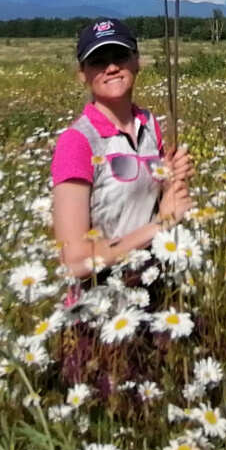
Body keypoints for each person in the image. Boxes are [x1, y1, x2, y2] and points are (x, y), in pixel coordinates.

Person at [51, 19, 192, 278]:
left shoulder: (149, 125)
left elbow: (149, 201)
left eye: (120, 56)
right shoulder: (77, 142)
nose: (112, 67)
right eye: (98, 61)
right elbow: (75, 262)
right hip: (105, 297)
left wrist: (170, 180)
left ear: (137, 61)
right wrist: (161, 226)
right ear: (82, 73)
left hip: (157, 277)